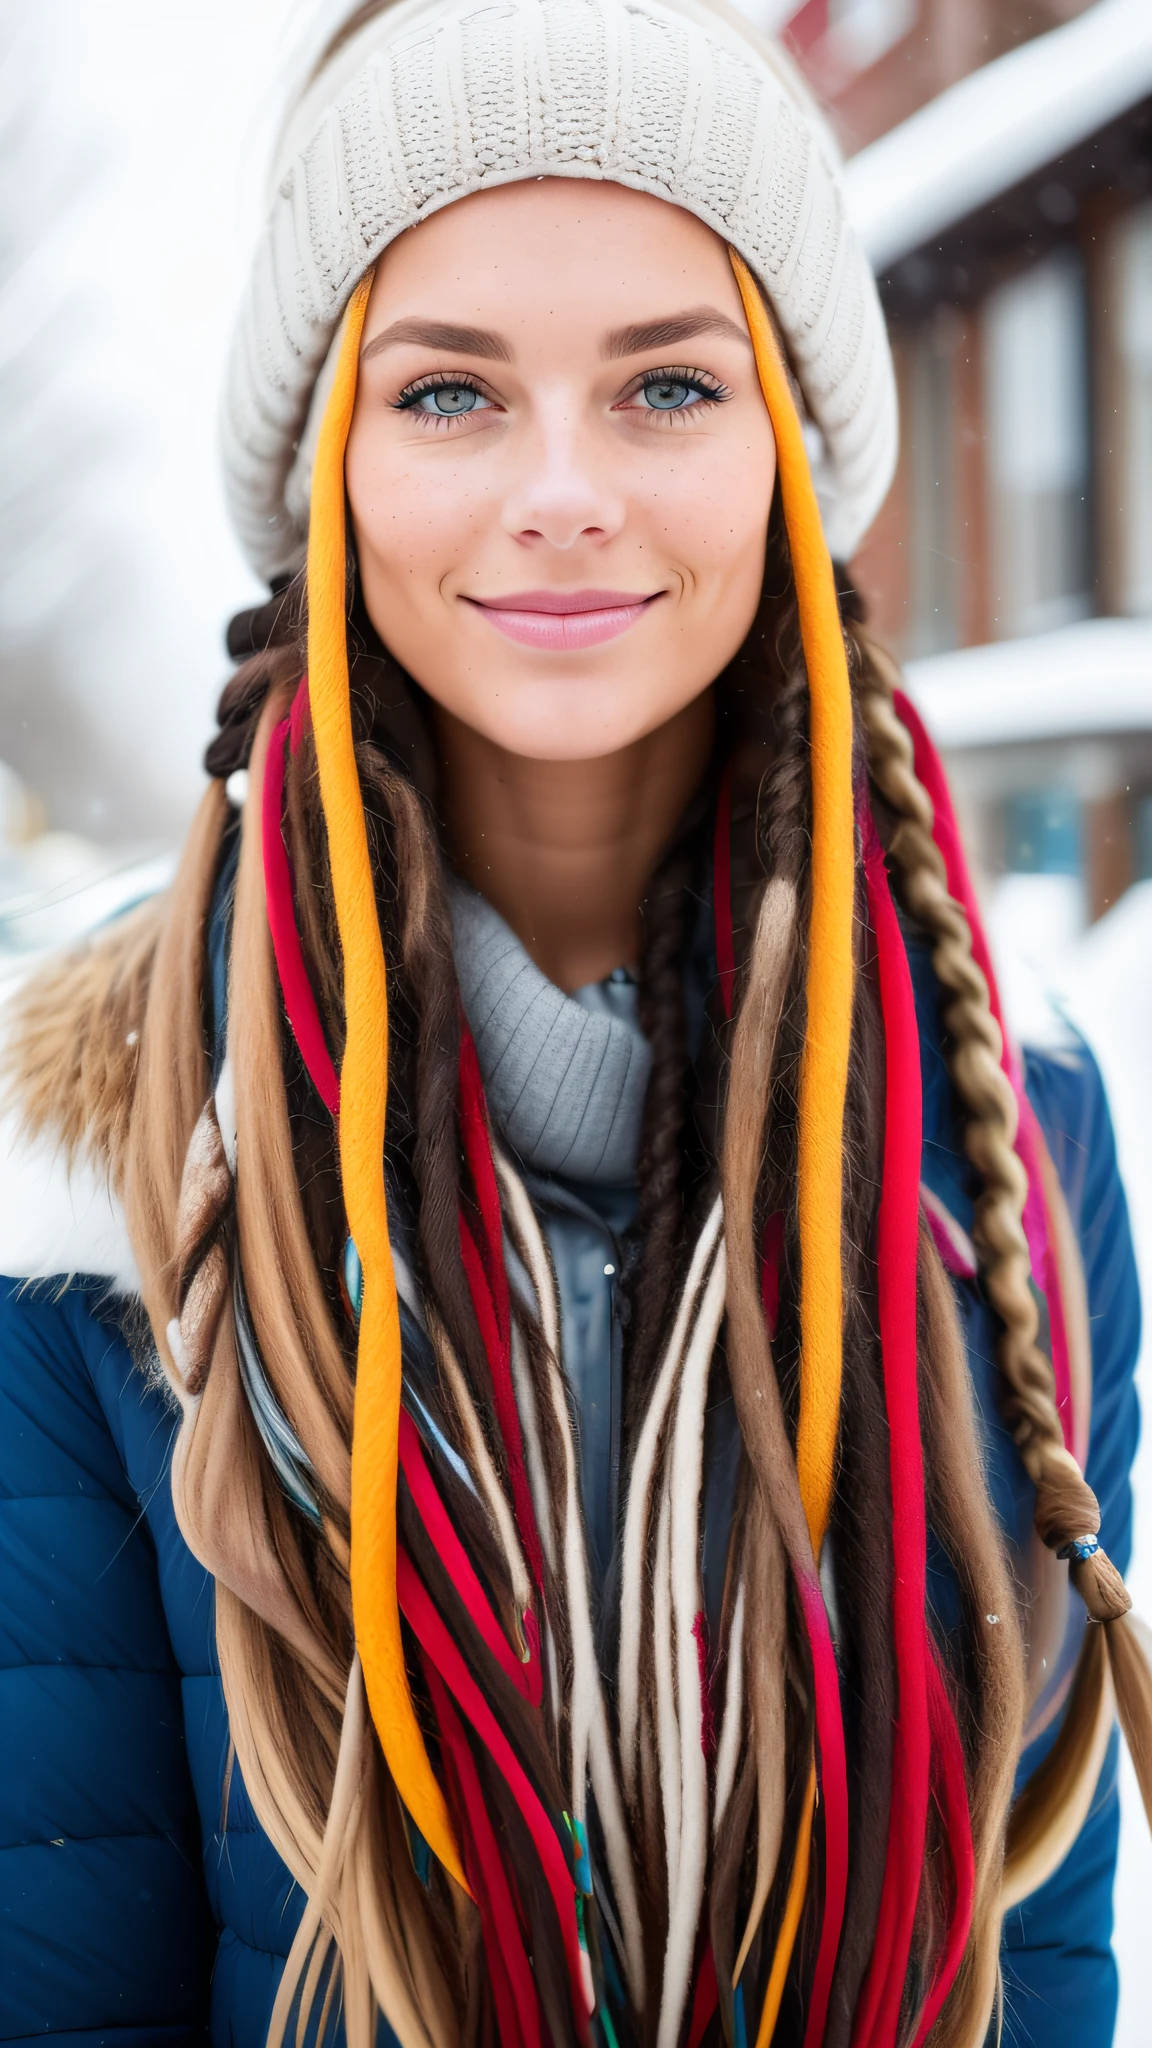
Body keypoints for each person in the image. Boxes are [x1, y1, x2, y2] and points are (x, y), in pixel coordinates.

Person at [0, 2, 1145, 2044]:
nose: (561, 492)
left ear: (788, 452)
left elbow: (1030, 1948)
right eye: (448, 392)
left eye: (667, 386)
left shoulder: (1011, 1137)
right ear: (323, 468)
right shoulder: (86, 1194)